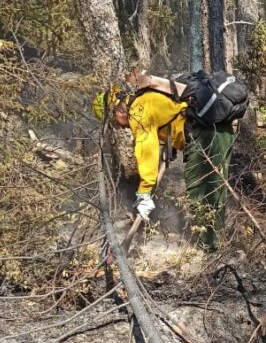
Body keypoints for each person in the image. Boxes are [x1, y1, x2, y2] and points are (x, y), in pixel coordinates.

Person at [92, 77, 235, 251]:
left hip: (207, 137)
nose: (119, 127)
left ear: (117, 111)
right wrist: (171, 145)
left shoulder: (138, 111)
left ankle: (210, 250)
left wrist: (144, 193)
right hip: (214, 133)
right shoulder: (143, 100)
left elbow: (147, 152)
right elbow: (171, 114)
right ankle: (215, 243)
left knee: (203, 191)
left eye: (114, 122)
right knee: (212, 190)